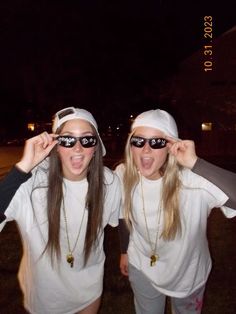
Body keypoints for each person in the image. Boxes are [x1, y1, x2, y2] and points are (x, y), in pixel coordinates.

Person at [0, 106, 121, 314]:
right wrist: (23, 167)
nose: (77, 148)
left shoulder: (109, 182)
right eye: (67, 140)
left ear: (96, 147)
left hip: (89, 292)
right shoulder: (32, 183)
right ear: (55, 145)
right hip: (45, 299)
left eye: (87, 140)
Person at [115, 109, 236, 314]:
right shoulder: (123, 174)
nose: (146, 150)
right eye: (139, 141)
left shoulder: (193, 182)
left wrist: (195, 163)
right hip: (141, 266)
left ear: (171, 147)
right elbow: (124, 213)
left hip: (187, 274)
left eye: (157, 143)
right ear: (130, 145)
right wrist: (125, 251)